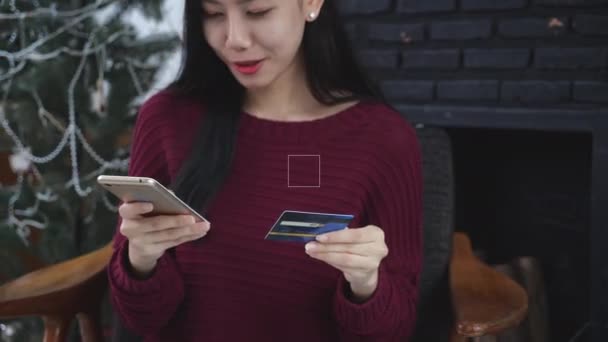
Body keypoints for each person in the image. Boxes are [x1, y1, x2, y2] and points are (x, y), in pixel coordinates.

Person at [107, 0, 423, 341]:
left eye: (257, 12)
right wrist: (140, 261)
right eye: (213, 14)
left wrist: (366, 285)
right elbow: (141, 320)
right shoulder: (167, 119)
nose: (234, 40)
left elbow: (396, 328)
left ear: (312, 4)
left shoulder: (383, 138)